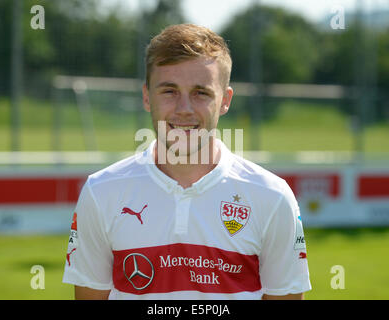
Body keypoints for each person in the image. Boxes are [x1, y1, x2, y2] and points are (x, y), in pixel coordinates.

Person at [62, 23, 311, 300]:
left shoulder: (272, 196)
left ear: (225, 100)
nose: (184, 109)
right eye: (169, 91)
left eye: (200, 93)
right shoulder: (101, 192)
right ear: (146, 96)